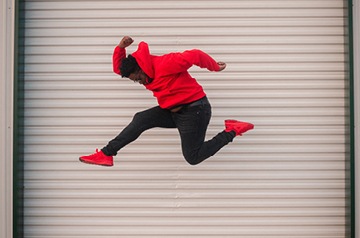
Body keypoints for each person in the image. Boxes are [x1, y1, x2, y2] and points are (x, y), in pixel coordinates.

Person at [79, 36, 254, 167]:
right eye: (135, 81)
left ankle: (232, 130)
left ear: (142, 67)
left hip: (195, 110)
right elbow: (119, 69)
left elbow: (194, 55)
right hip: (173, 111)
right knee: (141, 119)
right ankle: (106, 154)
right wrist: (120, 48)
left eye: (139, 78)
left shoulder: (165, 63)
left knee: (193, 157)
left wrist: (214, 67)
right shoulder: (137, 71)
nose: (140, 82)